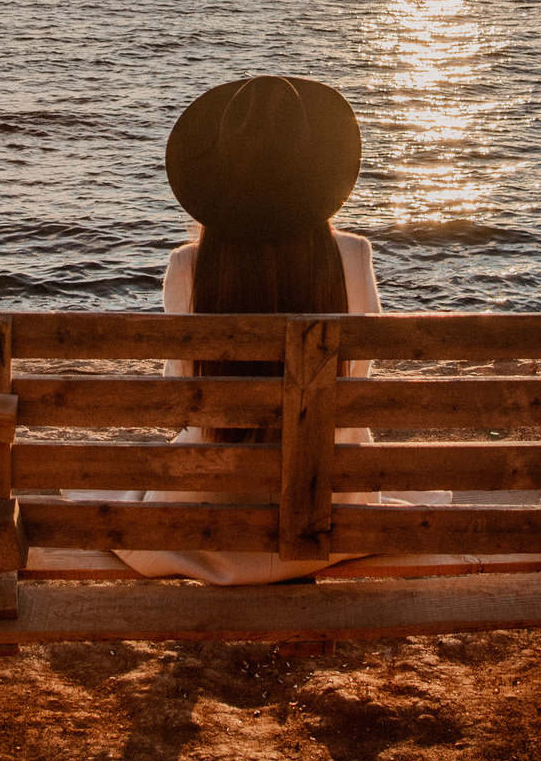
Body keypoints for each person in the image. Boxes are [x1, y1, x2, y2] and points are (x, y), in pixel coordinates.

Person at [76, 75, 436, 585]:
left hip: (213, 514)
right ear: (316, 175)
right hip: (333, 510)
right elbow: (358, 376)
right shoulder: (352, 255)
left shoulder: (188, 267)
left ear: (218, 182)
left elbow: (182, 394)